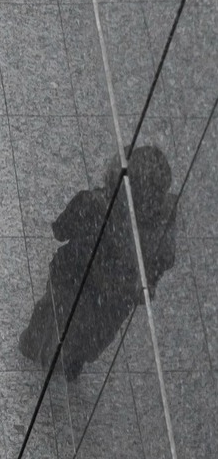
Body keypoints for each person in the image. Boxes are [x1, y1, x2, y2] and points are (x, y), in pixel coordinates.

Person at [18, 145, 176, 380]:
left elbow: (60, 230)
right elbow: (162, 262)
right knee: (87, 336)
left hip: (72, 279)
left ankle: (33, 346)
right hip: (113, 302)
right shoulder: (160, 228)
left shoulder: (94, 205)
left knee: (50, 316)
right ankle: (72, 362)